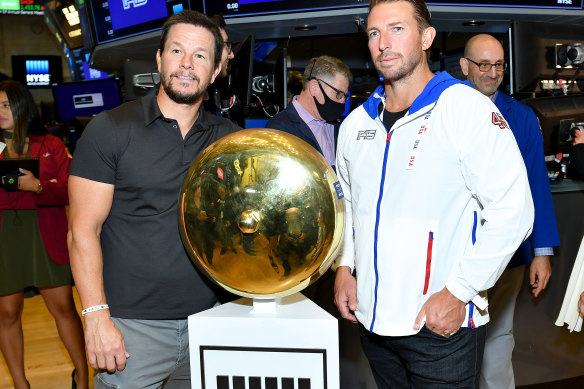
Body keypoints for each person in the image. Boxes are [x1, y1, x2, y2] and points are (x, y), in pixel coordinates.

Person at [333, 1, 535, 388]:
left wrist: (459, 292)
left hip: (440, 325)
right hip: (373, 323)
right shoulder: (356, 123)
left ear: (426, 37)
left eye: (396, 29)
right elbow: (349, 206)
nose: (383, 43)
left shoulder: (465, 109)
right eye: (374, 33)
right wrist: (345, 267)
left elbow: (515, 210)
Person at [67, 10, 241, 388]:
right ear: (160, 58)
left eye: (200, 56)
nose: (186, 64)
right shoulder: (110, 129)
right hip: (131, 330)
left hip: (209, 322)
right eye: (177, 51)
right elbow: (83, 230)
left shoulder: (230, 141)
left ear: (215, 71)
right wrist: (95, 317)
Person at [460, 33, 561, 389]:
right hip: (454, 254)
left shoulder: (521, 117)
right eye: (483, 65)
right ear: (464, 66)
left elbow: (537, 183)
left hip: (509, 254)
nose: (492, 73)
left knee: (499, 339)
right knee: (449, 343)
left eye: (499, 65)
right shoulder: (443, 111)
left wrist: (542, 252)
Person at [0, 80, 88, 389]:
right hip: (4, 237)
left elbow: (69, 189)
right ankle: (21, 384)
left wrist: (37, 186)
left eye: (6, 105)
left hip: (45, 232)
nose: (0, 112)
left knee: (63, 307)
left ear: (22, 107)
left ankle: (82, 376)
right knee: (7, 312)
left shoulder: (50, 144)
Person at [266, 55, 352, 170]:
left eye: (344, 96)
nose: (342, 101)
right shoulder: (279, 130)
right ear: (314, 87)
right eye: (338, 94)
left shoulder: (338, 126)